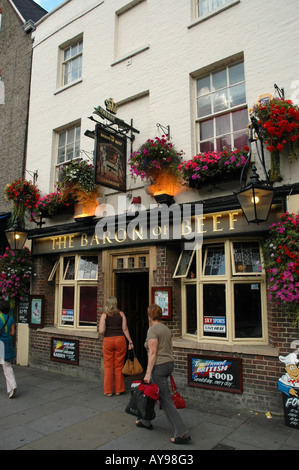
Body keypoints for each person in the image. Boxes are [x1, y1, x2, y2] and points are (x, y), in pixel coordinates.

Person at [137, 304, 190, 445]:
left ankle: (182, 432)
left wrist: (148, 373)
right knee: (152, 393)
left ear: (150, 316)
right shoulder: (166, 329)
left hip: (158, 366)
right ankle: (145, 420)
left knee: (165, 399)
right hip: (168, 364)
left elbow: (153, 353)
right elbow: (170, 348)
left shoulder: (152, 330)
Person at [99, 296, 134, 396]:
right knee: (119, 366)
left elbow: (101, 331)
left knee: (108, 366)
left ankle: (108, 391)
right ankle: (119, 389)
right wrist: (130, 341)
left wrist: (106, 332)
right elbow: (125, 329)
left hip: (108, 340)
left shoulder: (104, 315)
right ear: (115, 304)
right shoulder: (121, 314)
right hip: (120, 340)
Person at [0, 300, 17, 398]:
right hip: (8, 344)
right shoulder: (10, 319)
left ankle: (13, 386)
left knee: (5, 367)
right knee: (7, 366)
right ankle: (10, 388)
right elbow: (12, 333)